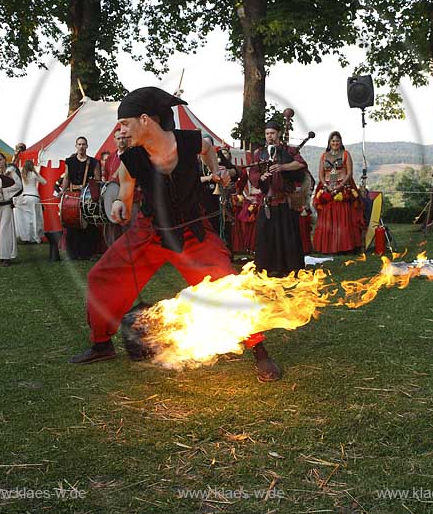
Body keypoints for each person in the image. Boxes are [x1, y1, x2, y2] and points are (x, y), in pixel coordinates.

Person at [70, 86, 282, 382]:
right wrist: (119, 203)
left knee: (227, 285)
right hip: (151, 232)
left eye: (125, 123)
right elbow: (127, 192)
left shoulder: (188, 140)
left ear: (145, 120)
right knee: (102, 276)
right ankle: (102, 343)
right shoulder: (131, 158)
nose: (122, 130)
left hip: (192, 232)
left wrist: (217, 171)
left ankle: (259, 351)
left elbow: (208, 150)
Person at [248, 120, 308, 276]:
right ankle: (267, 267)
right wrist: (261, 177)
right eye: (267, 134)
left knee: (286, 236)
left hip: (284, 200)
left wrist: (282, 167)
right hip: (267, 200)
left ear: (279, 134)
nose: (270, 136)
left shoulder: (289, 151)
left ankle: (289, 268)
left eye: (272, 133)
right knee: (266, 236)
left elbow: (301, 164)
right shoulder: (259, 153)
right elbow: (253, 172)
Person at [312, 131, 364, 254]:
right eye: (333, 141)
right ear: (329, 143)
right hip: (327, 186)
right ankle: (328, 247)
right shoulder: (324, 156)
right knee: (327, 217)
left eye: (337, 141)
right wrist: (326, 186)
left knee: (343, 217)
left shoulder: (346, 154)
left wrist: (340, 186)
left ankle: (344, 247)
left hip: (343, 185)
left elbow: (349, 172)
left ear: (341, 143)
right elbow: (321, 174)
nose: (335, 143)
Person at [61, 136, 102, 260]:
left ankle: (88, 253)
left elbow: (98, 180)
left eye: (83, 144)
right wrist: (63, 192)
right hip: (72, 194)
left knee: (89, 224)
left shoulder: (94, 162)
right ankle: (73, 253)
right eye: (79, 144)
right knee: (72, 222)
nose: (81, 146)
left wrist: (95, 195)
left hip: (87, 196)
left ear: (87, 146)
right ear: (76, 146)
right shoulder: (69, 161)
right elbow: (67, 177)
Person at [0, 152, 23, 266]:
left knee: (5, 231)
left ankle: (6, 257)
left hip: (6, 205)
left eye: (0, 160)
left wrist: (4, 191)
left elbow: (18, 186)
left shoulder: (11, 171)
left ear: (4, 160)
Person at [14, 159, 47, 243]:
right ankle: (36, 238)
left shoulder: (22, 175)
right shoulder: (34, 174)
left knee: (27, 219)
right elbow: (44, 182)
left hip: (25, 198)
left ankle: (27, 237)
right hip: (35, 197)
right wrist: (36, 173)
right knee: (36, 218)